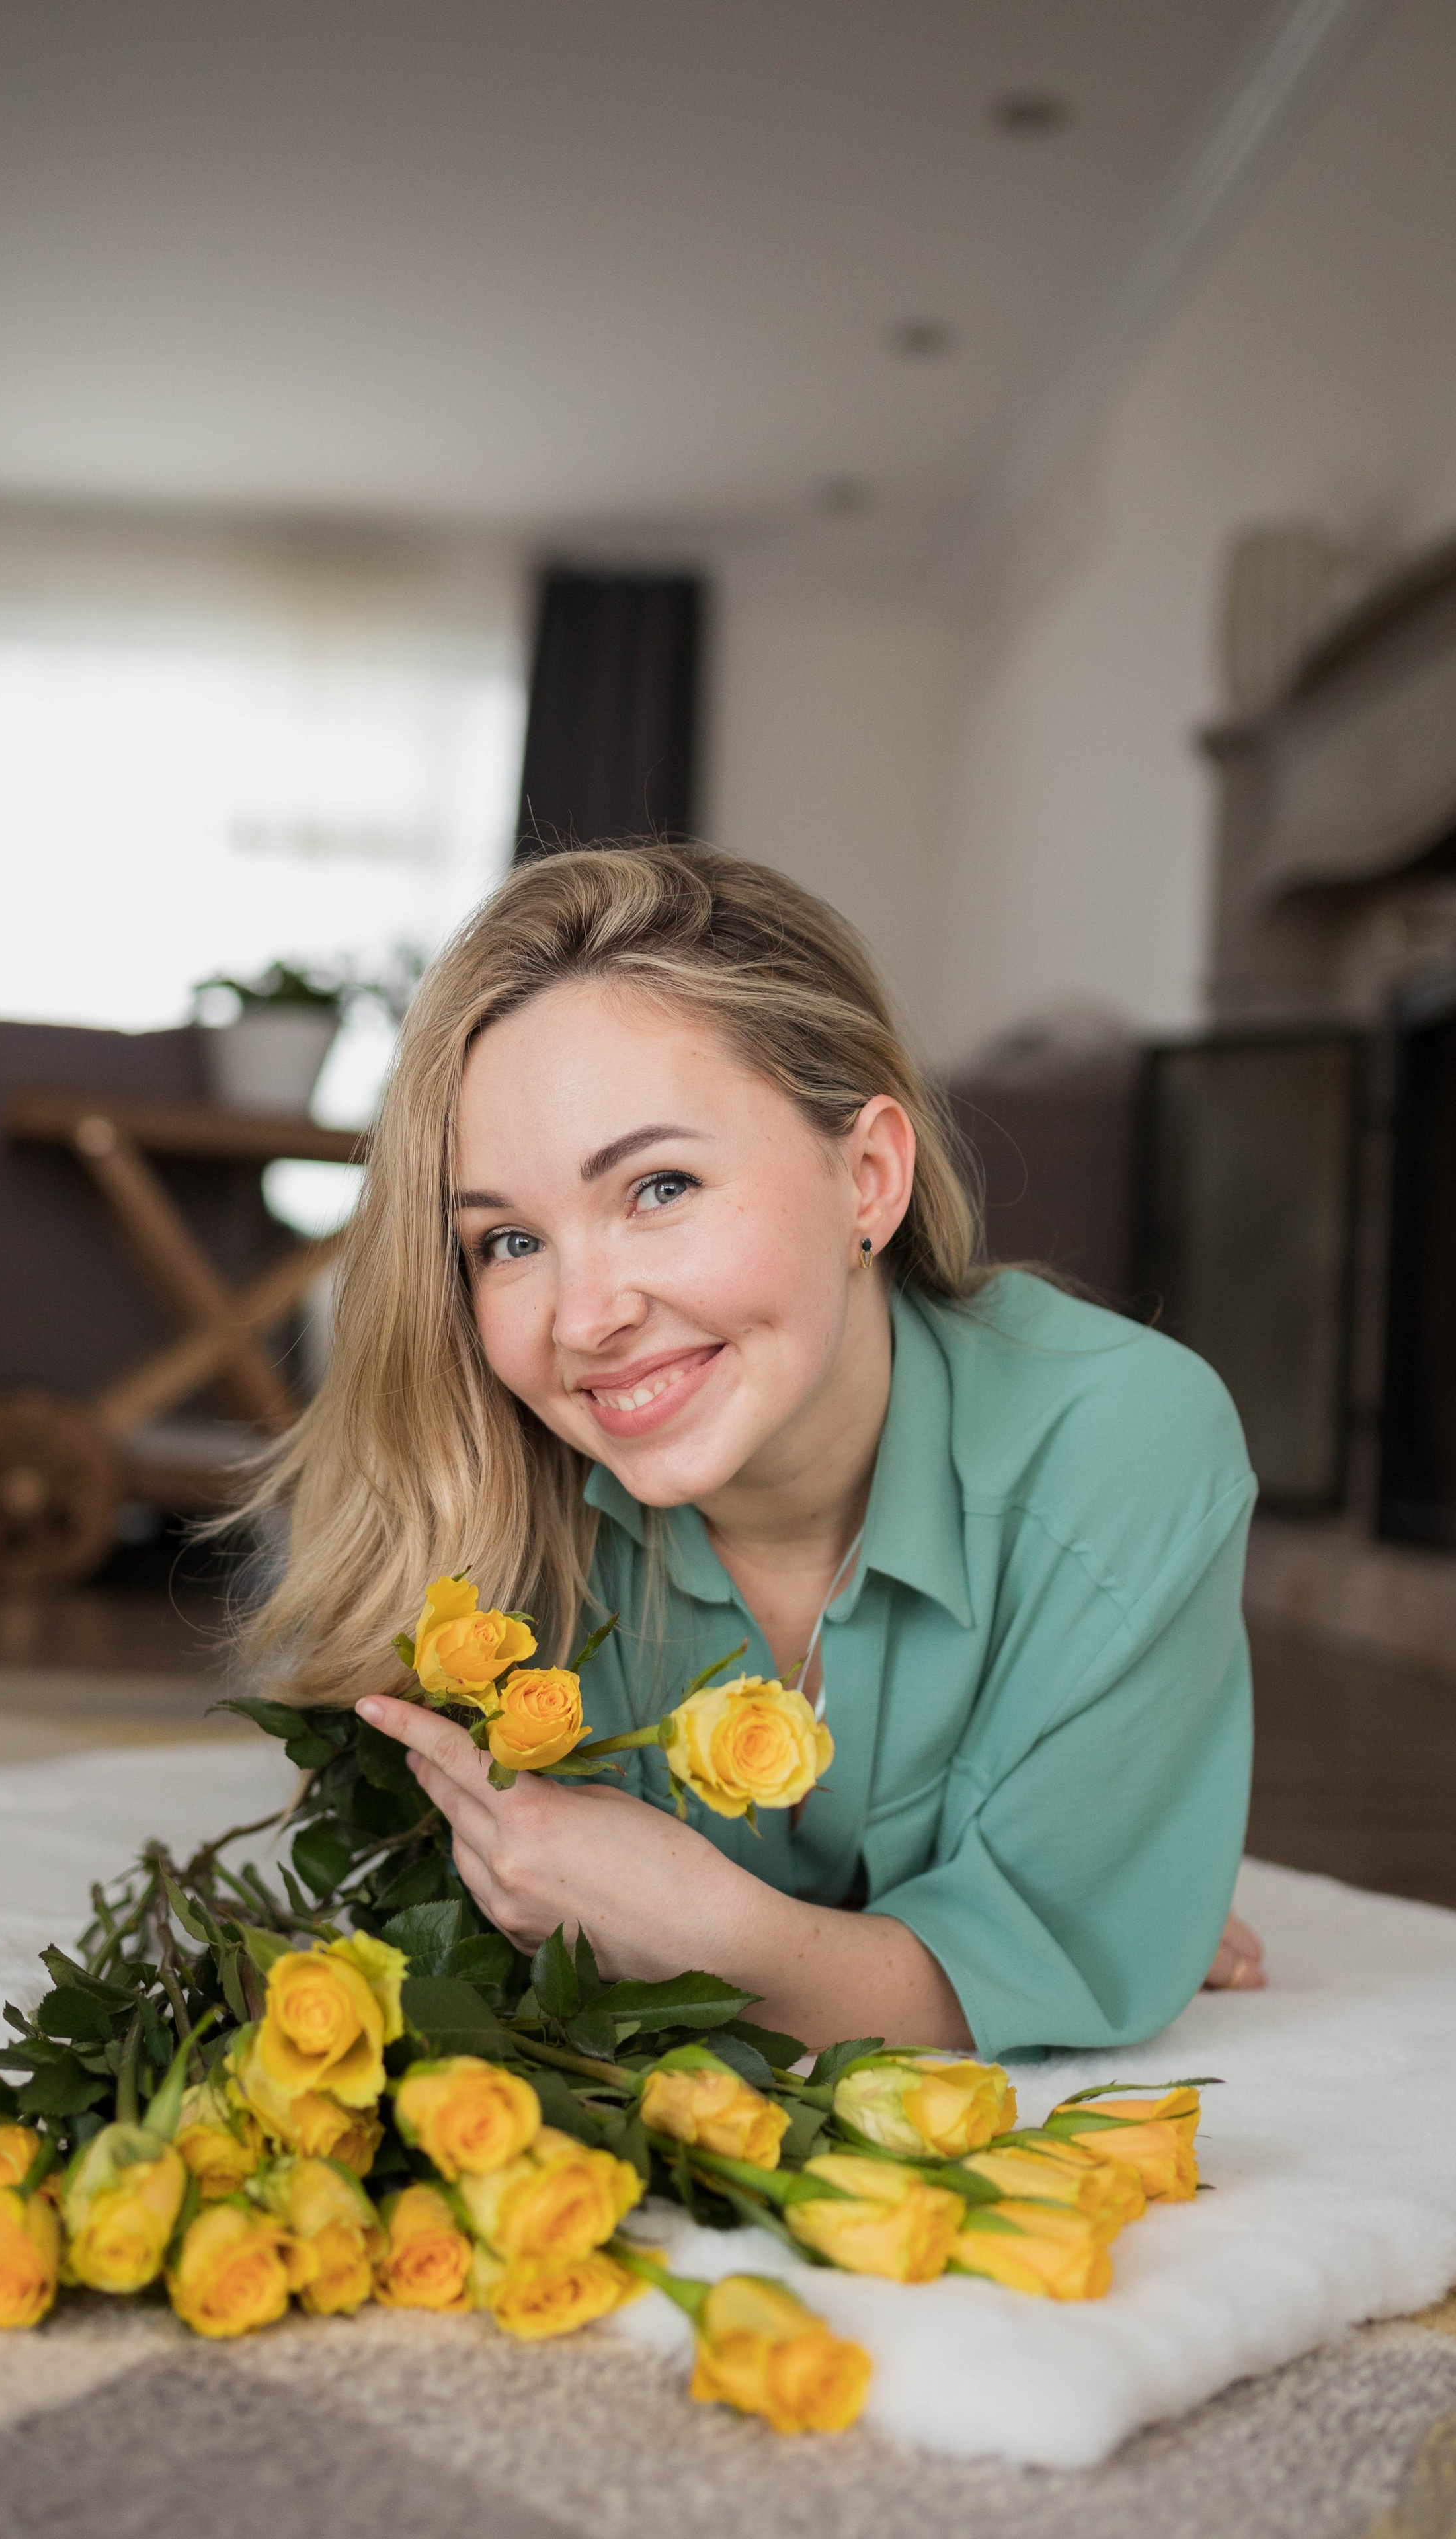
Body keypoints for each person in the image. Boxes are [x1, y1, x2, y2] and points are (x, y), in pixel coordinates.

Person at [249, 843, 1266, 2056]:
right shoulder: (471, 1465)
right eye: (507, 1243)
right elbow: (426, 1890)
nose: (584, 1320)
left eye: (660, 1187)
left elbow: (1064, 1947)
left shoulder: (1127, 1446)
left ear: (870, 1179)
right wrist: (988, 1939)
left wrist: (722, 1940)